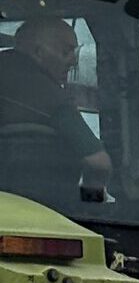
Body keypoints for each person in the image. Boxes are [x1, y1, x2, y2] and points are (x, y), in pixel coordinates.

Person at [0, 18, 113, 198]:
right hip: (44, 213)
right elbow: (98, 162)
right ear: (38, 52)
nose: (73, 61)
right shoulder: (48, 95)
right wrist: (92, 202)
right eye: (66, 51)